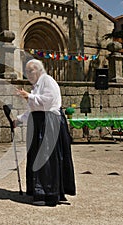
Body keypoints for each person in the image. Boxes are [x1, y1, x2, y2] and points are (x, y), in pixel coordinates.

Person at [14, 59, 76, 206]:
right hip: (39, 122)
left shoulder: (47, 80)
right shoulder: (36, 86)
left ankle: (49, 193)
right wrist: (18, 120)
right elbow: (33, 109)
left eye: (30, 71)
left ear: (39, 70)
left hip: (49, 122)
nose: (28, 74)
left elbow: (49, 101)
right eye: (27, 72)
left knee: (47, 158)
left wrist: (29, 96)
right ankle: (40, 192)